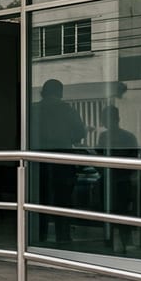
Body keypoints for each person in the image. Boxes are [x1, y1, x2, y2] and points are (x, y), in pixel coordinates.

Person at [29, 78, 87, 244]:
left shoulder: (34, 109)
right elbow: (79, 133)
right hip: (62, 157)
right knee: (63, 199)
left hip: (38, 158)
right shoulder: (67, 110)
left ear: (43, 92)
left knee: (40, 199)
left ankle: (39, 236)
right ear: (60, 92)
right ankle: (63, 236)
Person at [97, 105, 141, 253]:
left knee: (118, 213)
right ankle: (117, 243)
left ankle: (119, 243)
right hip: (115, 179)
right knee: (117, 213)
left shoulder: (121, 137)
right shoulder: (123, 136)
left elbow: (99, 158)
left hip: (118, 180)